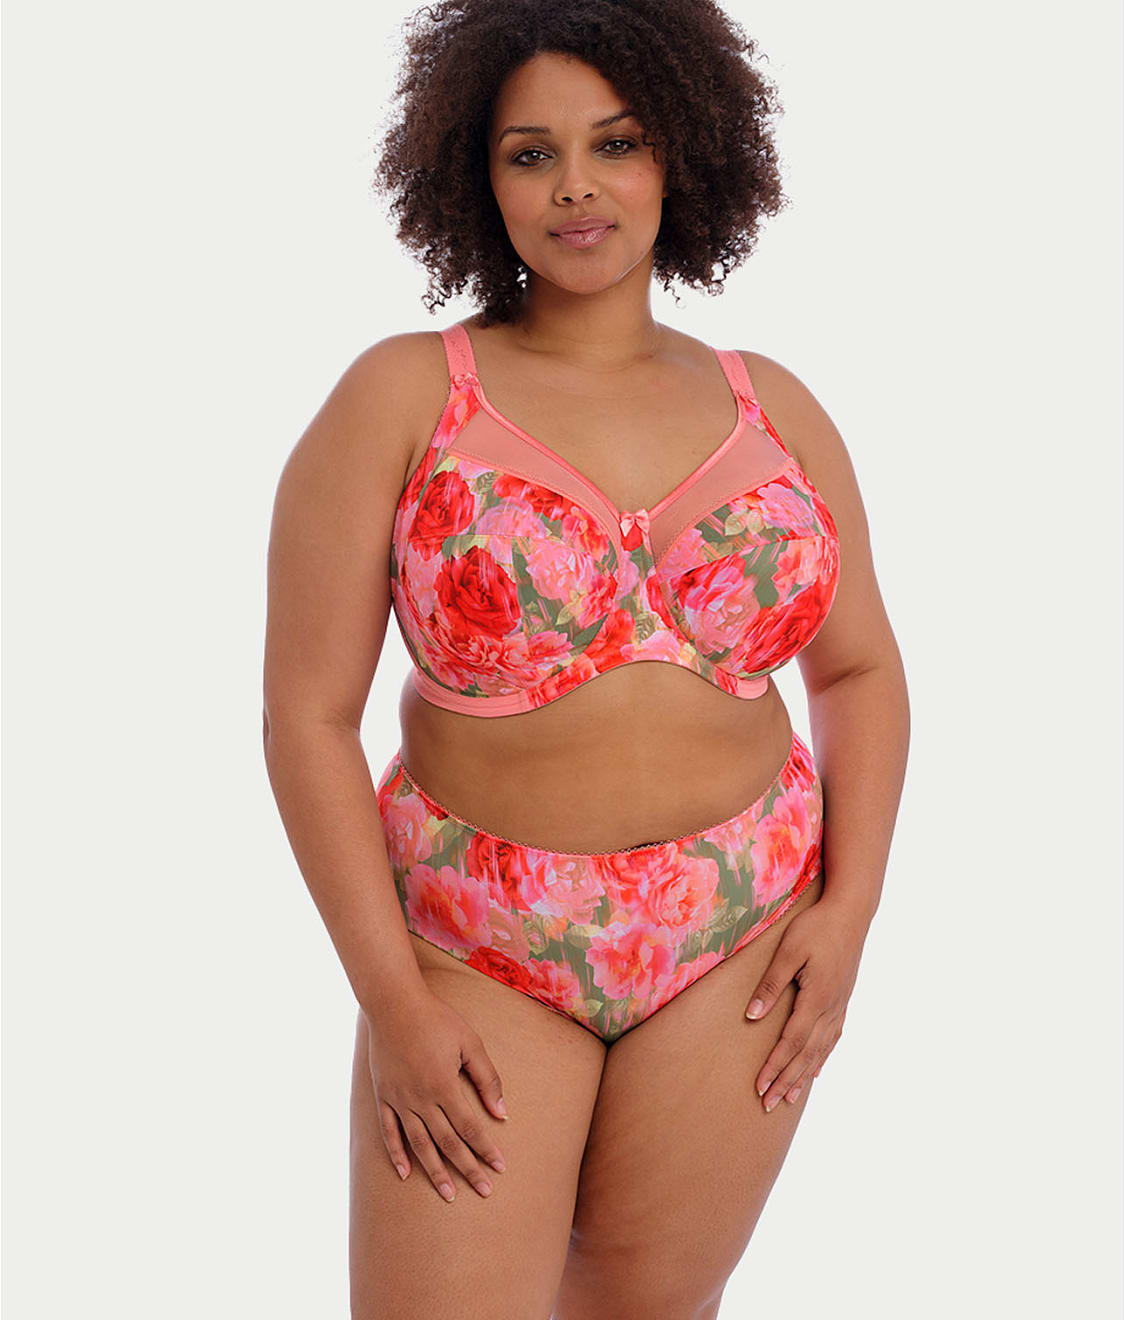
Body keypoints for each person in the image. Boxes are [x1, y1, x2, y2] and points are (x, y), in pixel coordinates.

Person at [262, 1, 910, 1315]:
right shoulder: (404, 394)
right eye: (530, 153)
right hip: (474, 945)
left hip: (739, 933)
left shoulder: (774, 404)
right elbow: (306, 715)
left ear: (681, 155)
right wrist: (392, 1000)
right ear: (475, 176)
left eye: (615, 144)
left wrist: (848, 916)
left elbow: (859, 674)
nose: (575, 187)